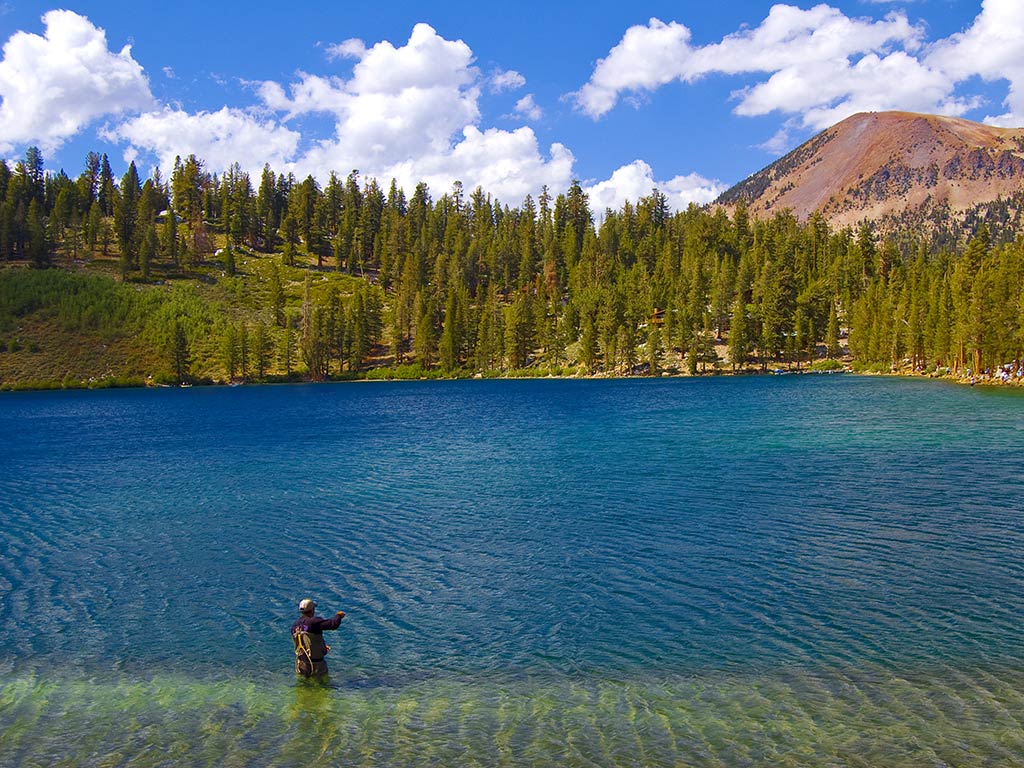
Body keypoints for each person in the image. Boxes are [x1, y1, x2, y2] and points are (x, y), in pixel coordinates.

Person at [292, 598, 345, 679]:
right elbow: (333, 624)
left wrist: (320, 646)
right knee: (323, 685)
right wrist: (339, 616)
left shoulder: (295, 626)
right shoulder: (314, 622)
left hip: (301, 664)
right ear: (312, 610)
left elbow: (304, 641)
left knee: (304, 686)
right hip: (317, 664)